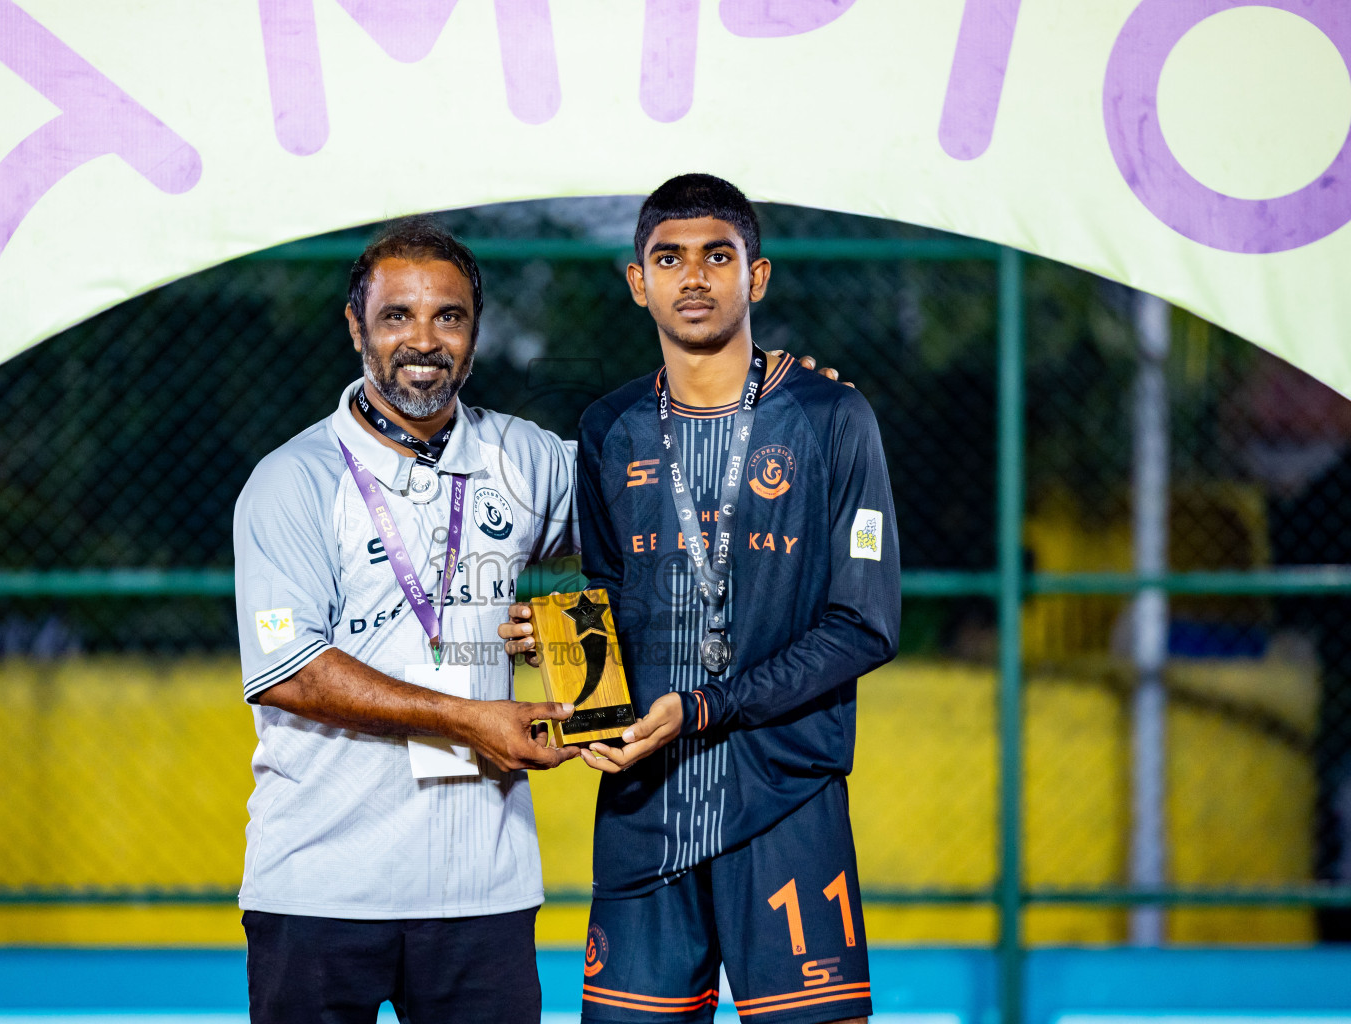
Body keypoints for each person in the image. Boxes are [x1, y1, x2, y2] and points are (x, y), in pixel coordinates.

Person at [502, 175, 901, 1023]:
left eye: (718, 256)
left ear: (756, 276)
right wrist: (568, 654)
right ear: (637, 281)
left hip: (787, 801)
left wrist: (706, 707)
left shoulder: (833, 417)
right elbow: (606, 590)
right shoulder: (610, 428)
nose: (694, 277)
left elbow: (863, 625)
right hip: (647, 809)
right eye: (669, 258)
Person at [232, 218, 581, 1024]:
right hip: (319, 886)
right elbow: (291, 672)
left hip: (483, 893)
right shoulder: (293, 480)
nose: (423, 340)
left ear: (475, 330)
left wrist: (768, 393)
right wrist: (470, 719)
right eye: (398, 316)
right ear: (357, 326)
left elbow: (641, 503)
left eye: (448, 316)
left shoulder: (526, 457)